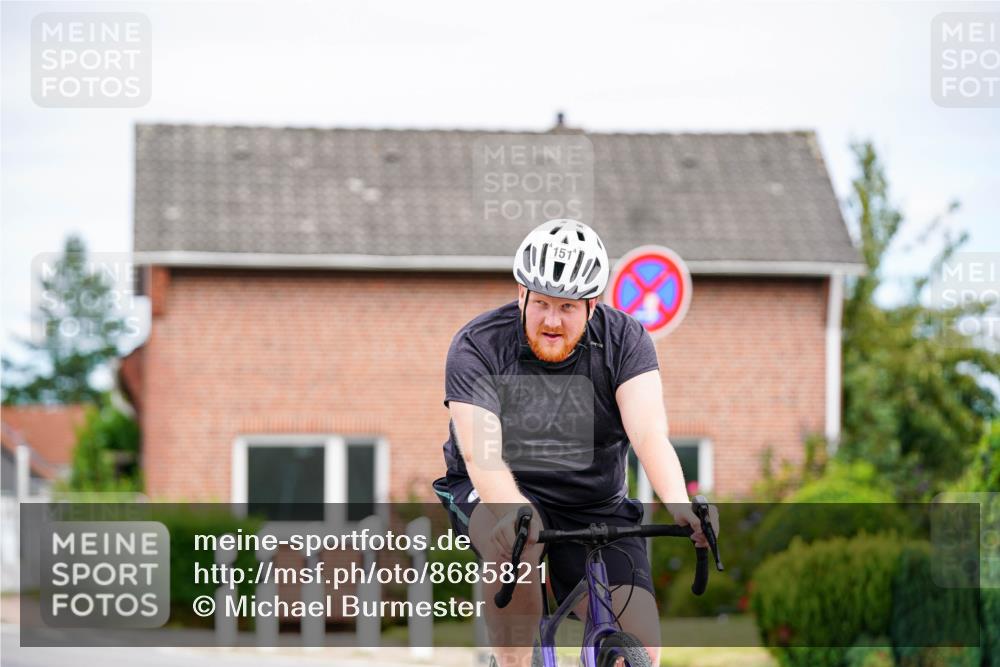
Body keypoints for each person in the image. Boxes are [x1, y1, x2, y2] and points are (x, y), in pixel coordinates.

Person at [432, 219, 719, 667]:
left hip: (593, 500)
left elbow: (647, 433)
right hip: (497, 491)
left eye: (567, 308)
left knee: (640, 647)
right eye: (541, 303)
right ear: (520, 293)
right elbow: (481, 454)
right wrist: (514, 511)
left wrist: (680, 504)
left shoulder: (625, 340)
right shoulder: (478, 345)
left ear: (593, 304)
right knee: (515, 541)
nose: (551, 320)